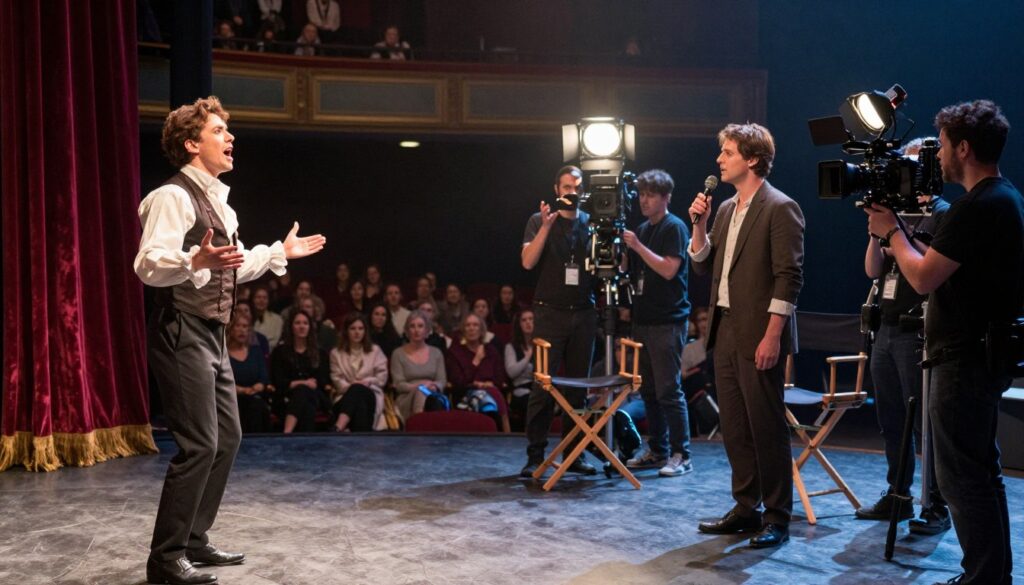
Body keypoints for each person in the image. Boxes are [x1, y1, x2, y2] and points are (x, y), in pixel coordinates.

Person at [134, 96, 325, 584]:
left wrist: (278, 252)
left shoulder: (221, 202)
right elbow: (148, 264)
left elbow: (235, 264)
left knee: (229, 438)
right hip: (180, 328)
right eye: (219, 131)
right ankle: (165, 558)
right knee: (199, 444)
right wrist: (193, 262)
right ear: (191, 143)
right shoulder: (172, 197)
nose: (230, 137)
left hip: (212, 334)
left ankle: (194, 539)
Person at [864, 100, 1022, 585]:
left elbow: (923, 276)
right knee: (980, 472)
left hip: (963, 358)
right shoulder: (1003, 198)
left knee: (962, 478)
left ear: (965, 148)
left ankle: (982, 577)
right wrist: (902, 233)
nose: (939, 158)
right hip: (982, 354)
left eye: (945, 146)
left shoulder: (978, 206)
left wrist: (891, 231)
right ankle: (990, 573)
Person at [688, 123, 804, 549]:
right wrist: (697, 224)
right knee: (734, 426)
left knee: (765, 427)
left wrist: (773, 336)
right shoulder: (724, 209)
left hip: (759, 330)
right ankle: (745, 508)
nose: (719, 159)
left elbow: (788, 277)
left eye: (728, 152)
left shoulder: (780, 207)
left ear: (752, 159)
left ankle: (777, 516)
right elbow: (702, 263)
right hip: (725, 328)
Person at [856, 138, 951, 534]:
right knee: (891, 420)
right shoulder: (895, 213)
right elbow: (872, 270)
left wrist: (898, 233)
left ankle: (936, 504)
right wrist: (879, 234)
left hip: (919, 330)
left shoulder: (941, 214)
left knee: (923, 424)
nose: (903, 176)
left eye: (910, 168)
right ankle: (899, 493)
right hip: (887, 326)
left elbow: (927, 270)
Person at [519, 165, 598, 477]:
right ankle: (535, 455)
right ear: (556, 190)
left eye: (577, 187)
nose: (572, 193)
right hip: (549, 312)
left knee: (578, 389)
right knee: (543, 385)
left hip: (584, 313)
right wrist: (546, 227)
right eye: (567, 187)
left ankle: (574, 453)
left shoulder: (592, 223)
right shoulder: (539, 220)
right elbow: (527, 262)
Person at [620, 169, 693, 477]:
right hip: (644, 319)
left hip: (668, 321)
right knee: (648, 391)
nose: (644, 200)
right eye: (641, 194)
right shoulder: (642, 229)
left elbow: (667, 270)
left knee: (668, 391)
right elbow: (630, 270)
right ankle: (658, 450)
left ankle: (681, 454)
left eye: (650, 195)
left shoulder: (673, 227)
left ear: (666, 198)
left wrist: (636, 246)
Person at [270, 310, 332, 434]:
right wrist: (299, 383)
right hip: (286, 396)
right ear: (291, 327)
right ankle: (306, 442)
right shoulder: (280, 352)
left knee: (305, 394)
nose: (302, 326)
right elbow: (277, 380)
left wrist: (307, 385)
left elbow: (323, 381)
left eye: (305, 323)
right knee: (306, 402)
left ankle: (287, 432)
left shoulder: (320, 353)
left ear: (310, 327)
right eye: (297, 323)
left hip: (315, 396)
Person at [446, 313, 509, 430]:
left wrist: (489, 383)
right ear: (463, 330)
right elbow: (458, 381)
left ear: (481, 330)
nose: (471, 328)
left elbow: (501, 377)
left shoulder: (491, 351)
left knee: (490, 395)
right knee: (484, 399)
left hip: (491, 392)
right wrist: (476, 360)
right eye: (468, 325)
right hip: (465, 396)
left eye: (475, 325)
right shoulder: (455, 352)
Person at [328, 312, 388, 432]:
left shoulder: (375, 350)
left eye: (360, 328)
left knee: (359, 391)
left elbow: (382, 378)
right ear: (346, 331)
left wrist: (367, 382)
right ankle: (363, 440)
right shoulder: (336, 353)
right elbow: (337, 379)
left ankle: (338, 427)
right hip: (344, 397)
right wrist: (354, 386)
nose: (357, 332)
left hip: (370, 393)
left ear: (365, 331)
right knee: (359, 402)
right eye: (353, 328)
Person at [390, 310, 447, 421]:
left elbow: (442, 381)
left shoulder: (436, 353)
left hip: (432, 394)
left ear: (426, 330)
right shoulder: (398, 353)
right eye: (412, 326)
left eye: (420, 326)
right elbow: (398, 385)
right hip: (407, 398)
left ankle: (421, 428)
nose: (416, 330)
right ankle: (418, 426)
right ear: (407, 331)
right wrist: (419, 387)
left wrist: (434, 386)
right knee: (422, 392)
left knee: (433, 400)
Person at [227, 313, 271, 434]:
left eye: (245, 326)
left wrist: (259, 386)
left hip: (254, 396)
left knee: (257, 406)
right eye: (238, 326)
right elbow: (220, 381)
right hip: (231, 398)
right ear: (230, 329)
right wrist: (241, 390)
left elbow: (264, 378)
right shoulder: (223, 354)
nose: (242, 330)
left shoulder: (256, 351)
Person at [504, 308, 536, 430]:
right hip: (521, 390)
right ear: (519, 324)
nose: (528, 323)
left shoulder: (542, 345)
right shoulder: (511, 347)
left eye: (531, 319)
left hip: (539, 389)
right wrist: (527, 356)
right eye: (524, 320)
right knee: (531, 402)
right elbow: (512, 372)